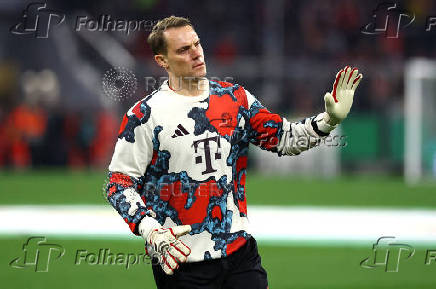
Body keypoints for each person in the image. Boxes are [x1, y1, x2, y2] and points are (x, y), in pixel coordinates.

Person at [106, 15, 362, 289]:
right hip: (181, 262)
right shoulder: (144, 116)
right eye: (183, 49)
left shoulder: (234, 99)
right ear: (162, 61)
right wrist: (152, 231)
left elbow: (284, 138)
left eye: (197, 43)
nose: (196, 53)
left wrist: (328, 121)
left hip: (240, 254)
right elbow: (118, 185)